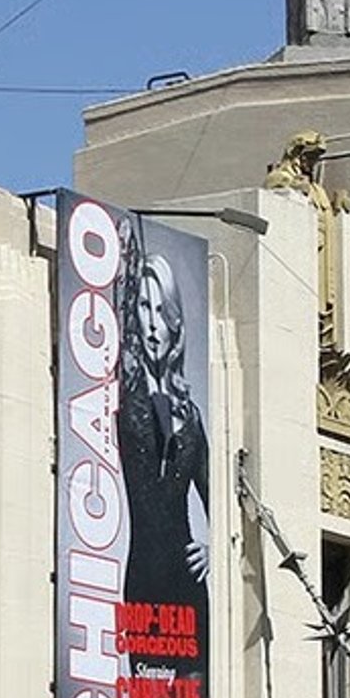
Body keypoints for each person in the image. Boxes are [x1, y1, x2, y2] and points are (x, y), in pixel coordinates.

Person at [116, 238, 210, 621]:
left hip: (188, 586)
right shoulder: (121, 395)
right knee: (141, 679)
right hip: (140, 579)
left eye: (161, 309)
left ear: (174, 321)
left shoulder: (190, 414)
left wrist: (212, 547)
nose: (154, 323)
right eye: (144, 306)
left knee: (200, 683)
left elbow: (217, 498)